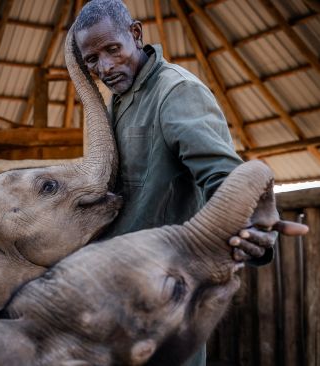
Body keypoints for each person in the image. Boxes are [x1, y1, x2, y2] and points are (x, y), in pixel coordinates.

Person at [71, 1, 308, 365]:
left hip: (166, 294)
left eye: (113, 49)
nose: (104, 66)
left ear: (135, 34)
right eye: (91, 59)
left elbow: (224, 178)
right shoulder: (120, 98)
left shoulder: (176, 92)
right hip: (120, 289)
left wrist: (251, 230)